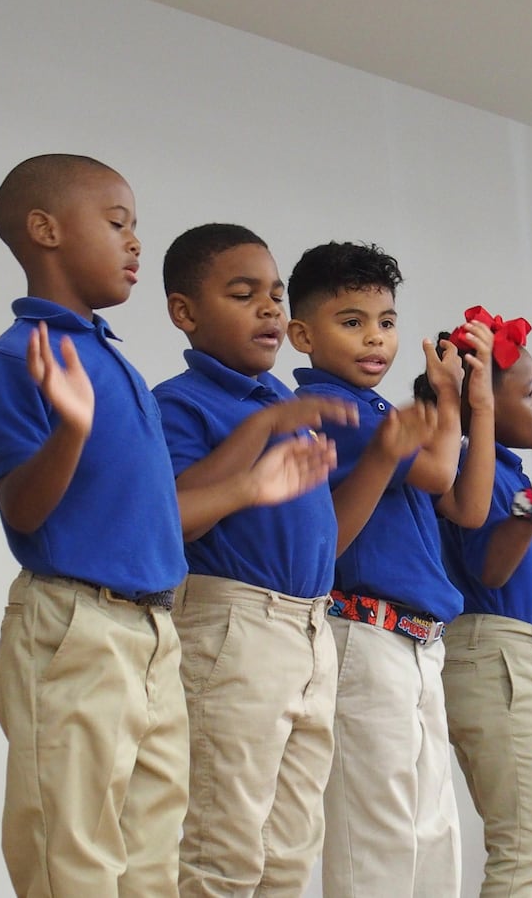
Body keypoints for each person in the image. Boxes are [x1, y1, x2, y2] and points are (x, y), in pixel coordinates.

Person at [0, 155, 318, 895]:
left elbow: (156, 515)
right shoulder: (19, 357)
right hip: (74, 624)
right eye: (118, 224)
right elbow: (22, 510)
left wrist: (250, 486)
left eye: (135, 227)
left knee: (155, 859)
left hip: (153, 628)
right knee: (74, 856)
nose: (134, 244)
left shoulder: (113, 362)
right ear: (46, 230)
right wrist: (68, 431)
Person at [152, 223, 363, 896]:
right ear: (185, 313)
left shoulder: (285, 404)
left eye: (276, 294)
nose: (271, 308)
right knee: (223, 847)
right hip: (232, 628)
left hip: (310, 629)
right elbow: (176, 510)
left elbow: (321, 535)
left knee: (291, 850)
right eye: (245, 294)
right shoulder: (179, 403)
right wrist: (262, 429)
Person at [288, 241, 495, 898]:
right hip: (363, 637)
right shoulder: (334, 407)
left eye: (385, 321)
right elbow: (438, 470)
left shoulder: (380, 412)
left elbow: (466, 501)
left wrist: (466, 402)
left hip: (416, 641)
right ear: (303, 334)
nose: (375, 338)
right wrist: (447, 398)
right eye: (351, 321)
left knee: (431, 835)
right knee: (377, 842)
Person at [423, 307, 532, 898]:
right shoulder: (470, 461)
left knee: (522, 843)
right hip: (491, 651)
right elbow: (492, 566)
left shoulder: (507, 467)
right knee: (520, 846)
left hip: (512, 655)